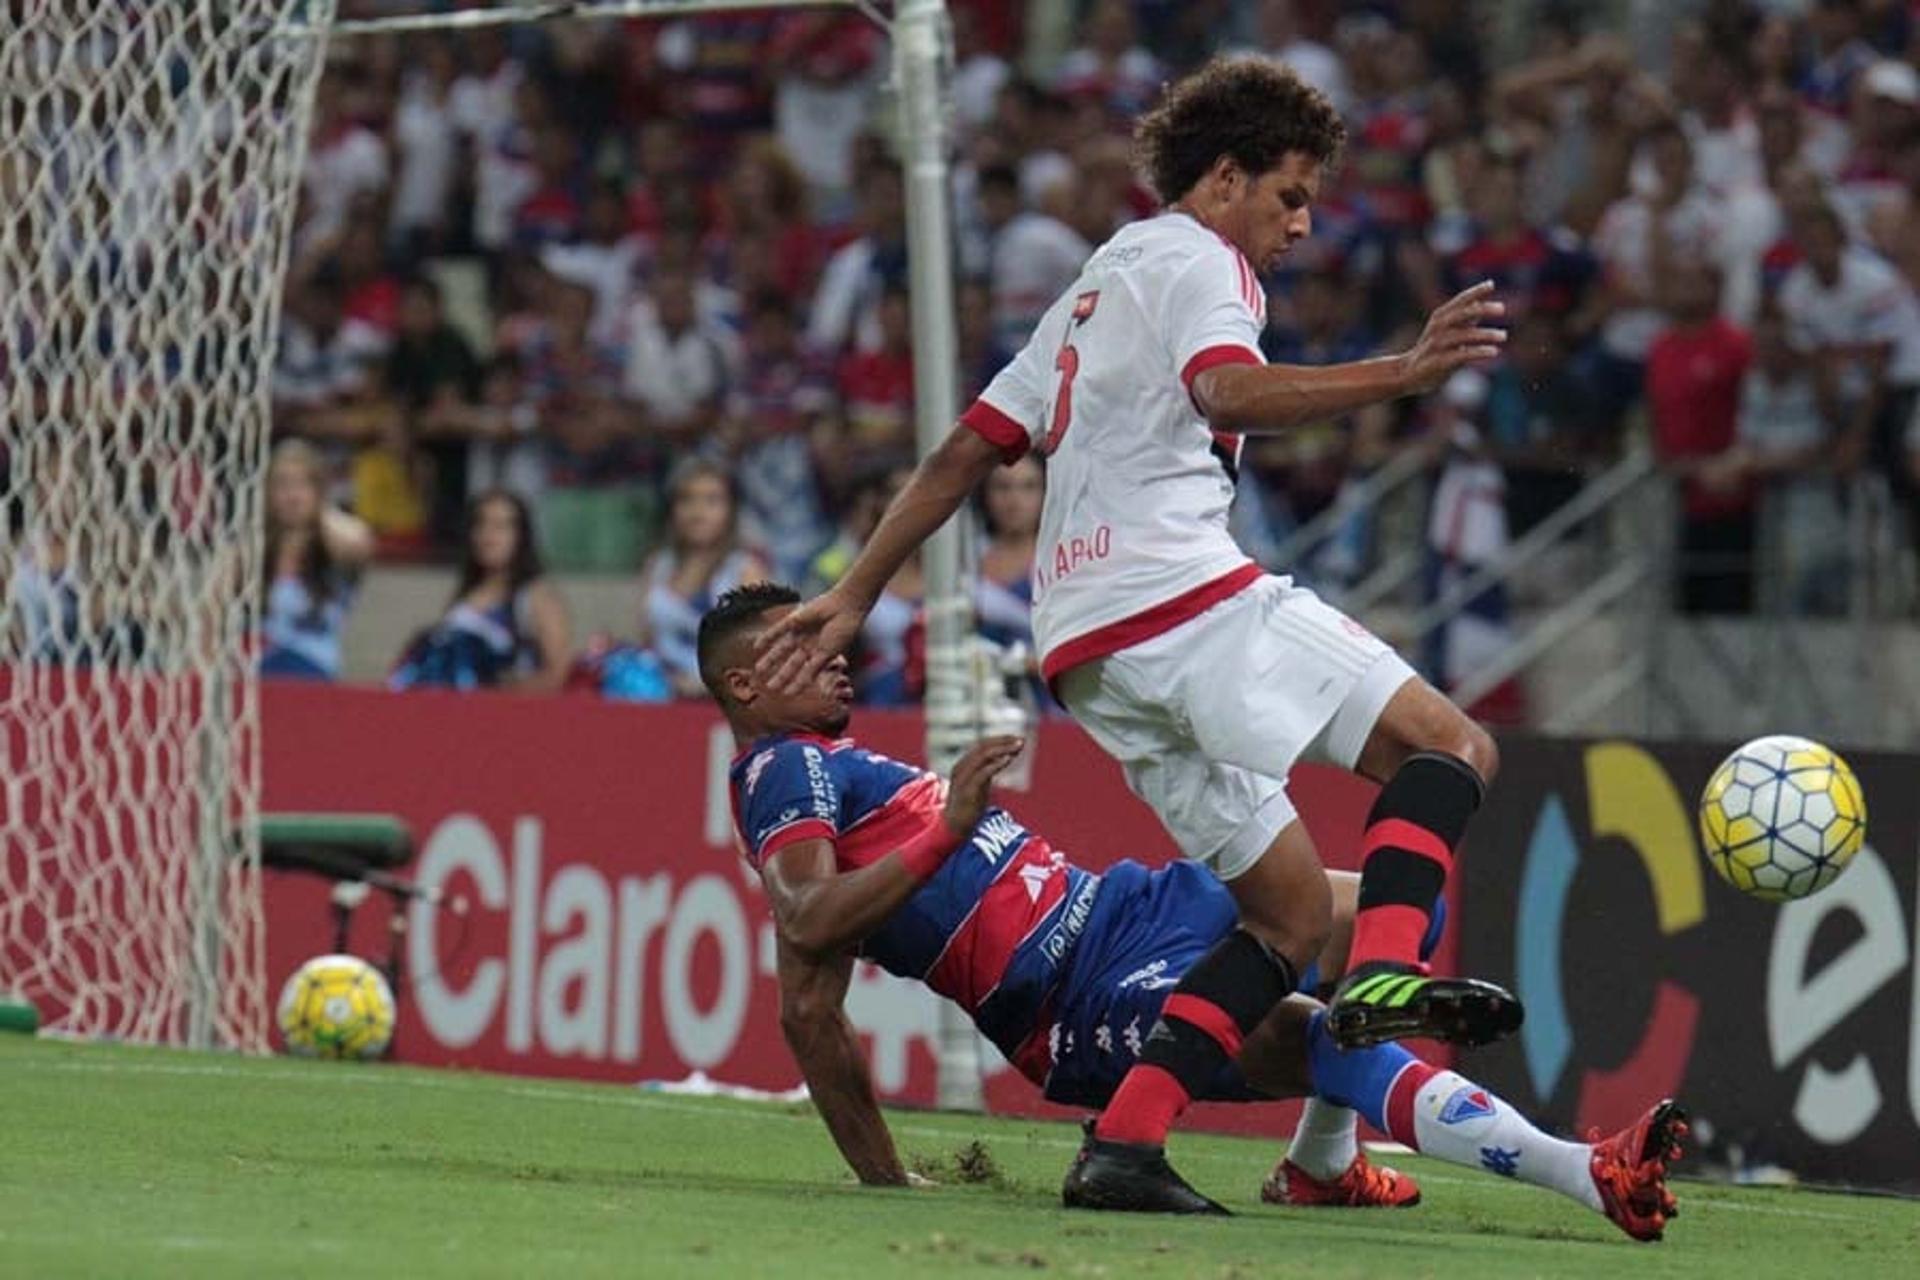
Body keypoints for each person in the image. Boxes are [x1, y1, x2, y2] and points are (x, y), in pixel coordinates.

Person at [756, 57, 1517, 1213]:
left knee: (1290, 912)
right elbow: (1225, 390)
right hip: (1181, 597)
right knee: (1455, 751)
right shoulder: (1207, 262)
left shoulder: (1101, 276)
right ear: (1223, 178)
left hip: (1089, 654)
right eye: (1291, 193)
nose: (1302, 224)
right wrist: (1404, 372)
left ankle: (1127, 1144)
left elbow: (971, 446)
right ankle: (1389, 985)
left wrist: (858, 589)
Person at [702, 583, 1684, 1240]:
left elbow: (808, 986)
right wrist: (949, 824)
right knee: (1318, 1039)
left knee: (1392, 916)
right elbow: (807, 924)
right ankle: (1582, 1168)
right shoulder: (780, 769)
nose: (835, 648)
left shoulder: (826, 766)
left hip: (1122, 906)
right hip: (1073, 1001)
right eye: (799, 645)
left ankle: (1322, 1162)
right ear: (744, 685)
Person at [392, 490, 571, 692]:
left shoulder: (537, 596)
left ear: (520, 536)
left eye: (500, 526)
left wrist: (498, 696)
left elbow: (557, 675)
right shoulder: (466, 594)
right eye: (481, 524)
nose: (488, 535)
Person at [637, 459, 770, 698]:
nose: (697, 512)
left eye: (712, 500)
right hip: (663, 693)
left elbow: (759, 653)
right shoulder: (658, 566)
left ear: (731, 510)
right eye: (687, 499)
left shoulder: (745, 570)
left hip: (725, 700)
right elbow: (649, 641)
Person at [261, 439, 375, 680]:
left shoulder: (337, 543)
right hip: (258, 669)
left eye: (302, 484)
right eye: (282, 484)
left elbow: (361, 540)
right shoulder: (256, 549)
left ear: (318, 490)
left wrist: (319, 509)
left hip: (312, 668)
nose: (291, 495)